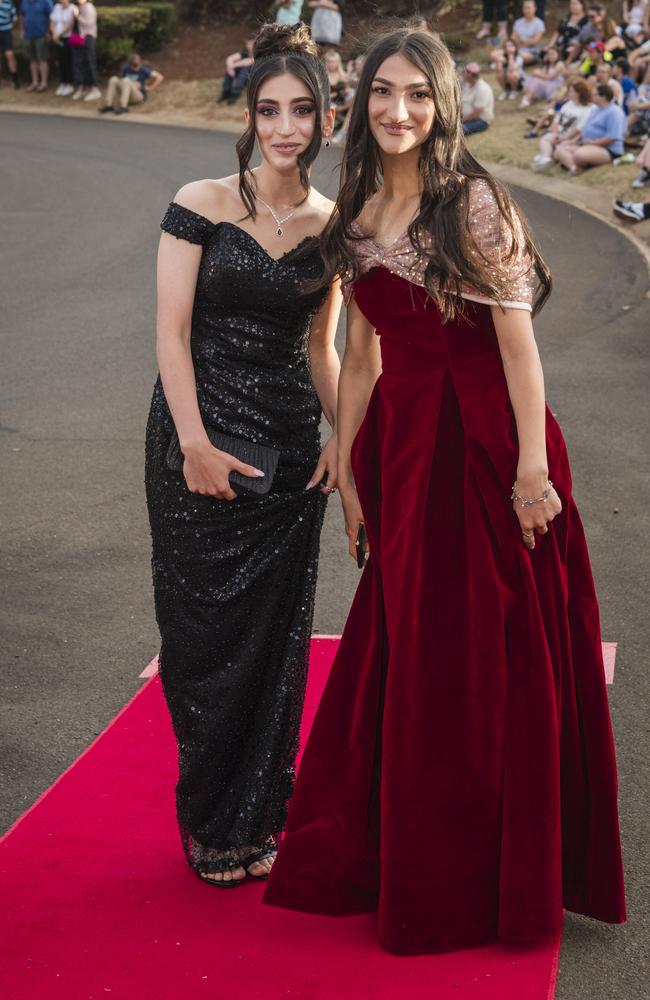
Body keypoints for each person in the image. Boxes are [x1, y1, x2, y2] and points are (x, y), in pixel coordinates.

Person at [264, 24, 626, 956]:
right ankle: (411, 851)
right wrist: (348, 465)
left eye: (418, 94)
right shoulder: (352, 216)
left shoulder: (473, 204)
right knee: (416, 643)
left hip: (488, 441)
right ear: (361, 103)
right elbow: (362, 355)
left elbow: (517, 344)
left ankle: (494, 872)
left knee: (490, 650)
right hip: (404, 446)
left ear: (444, 103)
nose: (399, 111)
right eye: (384, 92)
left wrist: (533, 472)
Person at [145, 22, 340, 888]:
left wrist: (346, 440)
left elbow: (324, 352)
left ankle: (255, 816)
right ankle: (206, 813)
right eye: (271, 110)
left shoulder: (336, 227)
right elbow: (170, 331)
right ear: (251, 116)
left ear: (327, 119)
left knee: (274, 638)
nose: (286, 127)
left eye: (303, 110)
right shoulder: (201, 200)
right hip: (194, 442)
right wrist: (192, 443)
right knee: (200, 633)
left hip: (289, 453)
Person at [554, 82, 626, 172]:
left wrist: (594, 143)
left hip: (607, 149)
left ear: (603, 96)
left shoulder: (615, 112)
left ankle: (572, 163)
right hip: (588, 144)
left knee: (579, 155)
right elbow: (584, 129)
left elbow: (612, 137)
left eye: (595, 95)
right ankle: (574, 167)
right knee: (559, 149)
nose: (592, 97)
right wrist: (573, 141)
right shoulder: (596, 109)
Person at [532, 76, 594, 168]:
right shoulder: (568, 104)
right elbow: (556, 120)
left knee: (559, 150)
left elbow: (579, 129)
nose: (568, 93)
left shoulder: (588, 109)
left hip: (572, 138)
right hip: (559, 134)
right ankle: (546, 158)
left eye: (571, 91)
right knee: (545, 139)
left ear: (579, 93)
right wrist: (555, 133)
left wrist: (564, 138)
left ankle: (549, 156)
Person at [19, 0, 52, 91]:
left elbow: (51, 17)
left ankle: (44, 83)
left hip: (41, 34)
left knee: (42, 59)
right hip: (28, 35)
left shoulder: (46, 1)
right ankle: (35, 82)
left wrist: (49, 31)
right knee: (32, 59)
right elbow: (22, 16)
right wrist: (22, 30)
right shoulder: (25, 1)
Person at [70, 0, 99, 101]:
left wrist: (78, 16)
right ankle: (83, 87)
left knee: (89, 62)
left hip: (87, 38)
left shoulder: (89, 7)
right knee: (79, 63)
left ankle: (94, 89)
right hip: (78, 38)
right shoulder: (78, 7)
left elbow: (89, 23)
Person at [49, 0, 76, 96]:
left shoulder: (73, 8)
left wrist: (59, 34)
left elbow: (70, 24)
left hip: (68, 39)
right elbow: (52, 21)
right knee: (60, 61)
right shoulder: (57, 7)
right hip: (58, 39)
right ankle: (63, 82)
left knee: (68, 61)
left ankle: (69, 83)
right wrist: (54, 34)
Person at [216, 36, 254, 105]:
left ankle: (235, 94)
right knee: (232, 70)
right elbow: (230, 58)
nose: (250, 46)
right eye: (248, 44)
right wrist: (230, 68)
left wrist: (232, 66)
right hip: (243, 75)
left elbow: (248, 62)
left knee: (244, 70)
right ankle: (226, 92)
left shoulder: (259, 53)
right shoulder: (245, 52)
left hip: (252, 78)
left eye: (252, 44)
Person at [461, 60, 494, 134]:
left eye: (465, 72)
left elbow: (476, 114)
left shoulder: (483, 88)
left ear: (470, 74)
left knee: (457, 131)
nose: (463, 74)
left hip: (480, 121)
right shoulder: (467, 85)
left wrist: (460, 121)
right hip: (466, 119)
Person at [511, 0, 546, 65]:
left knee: (519, 55)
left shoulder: (539, 23)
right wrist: (526, 41)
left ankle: (511, 64)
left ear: (535, 9)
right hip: (516, 49)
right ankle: (512, 62)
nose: (527, 10)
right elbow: (513, 39)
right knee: (495, 54)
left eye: (529, 8)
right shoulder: (518, 22)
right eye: (525, 8)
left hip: (532, 52)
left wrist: (520, 41)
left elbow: (534, 42)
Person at [0, 0, 19, 87]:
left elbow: (14, 18)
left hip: (6, 31)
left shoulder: (9, 2)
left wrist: (10, 26)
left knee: (9, 54)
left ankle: (15, 79)